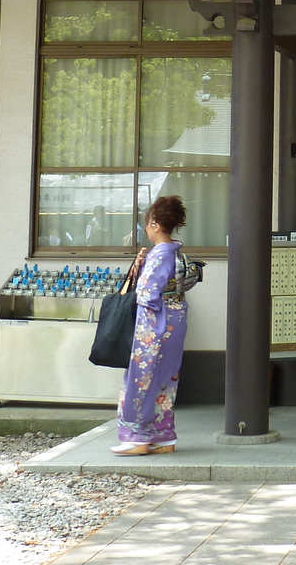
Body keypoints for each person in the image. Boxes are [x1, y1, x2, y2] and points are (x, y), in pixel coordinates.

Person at [113, 195, 189, 456]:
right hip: (174, 322)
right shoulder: (174, 253)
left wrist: (142, 273)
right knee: (164, 380)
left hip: (154, 325)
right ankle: (163, 437)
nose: (146, 228)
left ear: (155, 224)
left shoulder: (160, 255)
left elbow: (146, 295)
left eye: (147, 223)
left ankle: (138, 436)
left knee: (140, 378)